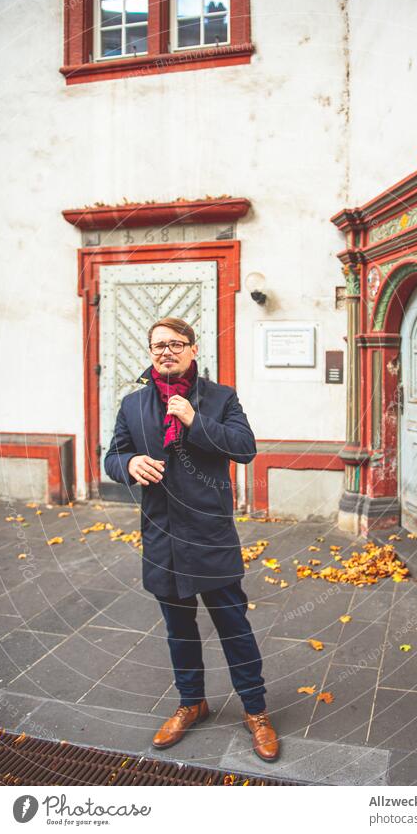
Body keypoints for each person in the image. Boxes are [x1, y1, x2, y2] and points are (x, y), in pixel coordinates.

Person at [104, 317, 279, 762]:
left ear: (193, 349)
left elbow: (244, 448)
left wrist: (194, 419)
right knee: (179, 630)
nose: (167, 351)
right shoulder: (132, 405)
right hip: (162, 536)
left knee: (233, 626)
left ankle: (255, 711)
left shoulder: (219, 398)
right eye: (158, 344)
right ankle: (191, 703)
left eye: (176, 343)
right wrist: (128, 466)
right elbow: (113, 455)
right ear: (149, 352)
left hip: (209, 534)